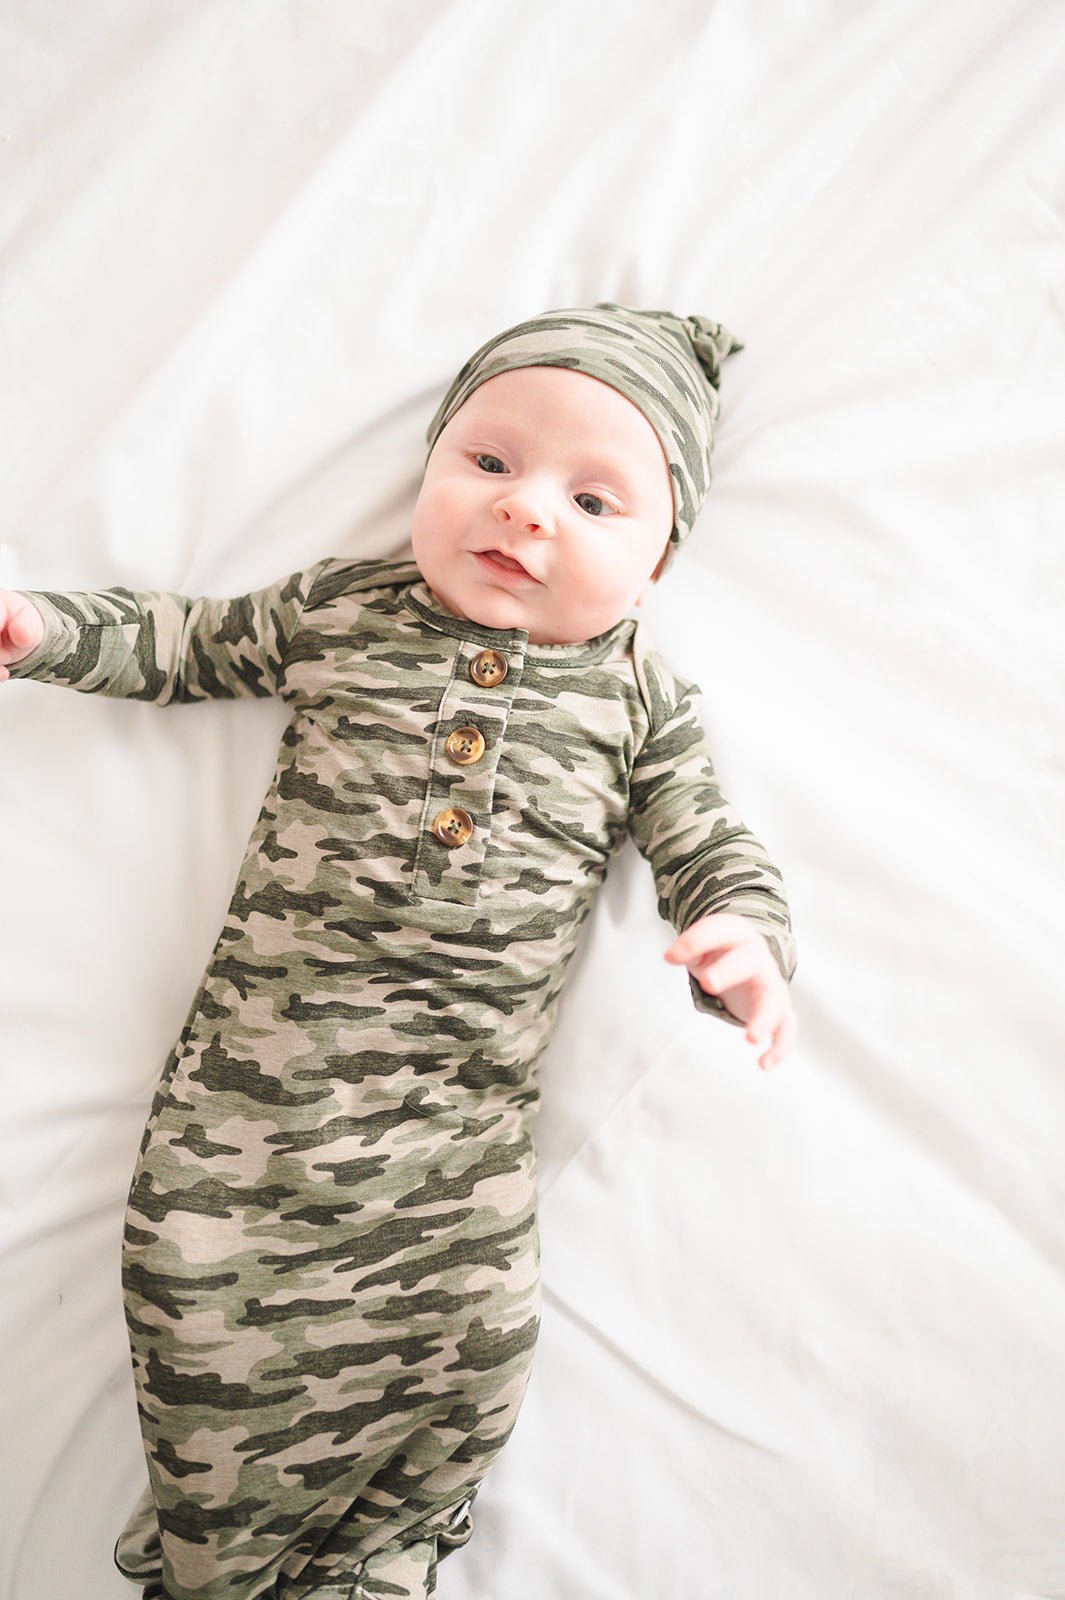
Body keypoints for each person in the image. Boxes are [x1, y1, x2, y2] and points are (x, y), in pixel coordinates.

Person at [0, 303, 798, 1600]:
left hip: (453, 1125)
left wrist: (740, 938)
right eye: (487, 461)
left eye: (593, 501)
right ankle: (216, 1556)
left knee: (473, 1339)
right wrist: (46, 630)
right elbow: (188, 641)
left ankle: (373, 1554)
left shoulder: (637, 697)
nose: (525, 508)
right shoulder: (344, 610)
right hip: (255, 1101)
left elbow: (707, 837)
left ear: (656, 567)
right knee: (198, 1291)